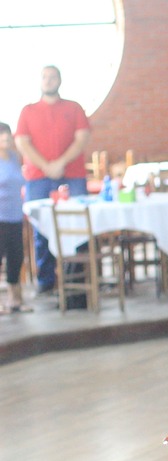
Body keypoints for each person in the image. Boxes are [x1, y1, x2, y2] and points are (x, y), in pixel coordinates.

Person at [15, 65, 90, 294]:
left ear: (60, 80)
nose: (48, 80)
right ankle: (46, 281)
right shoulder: (28, 111)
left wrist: (60, 163)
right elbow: (22, 142)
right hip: (38, 178)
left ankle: (79, 279)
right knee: (41, 228)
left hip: (72, 174)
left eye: (53, 77)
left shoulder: (74, 108)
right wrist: (46, 166)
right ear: (40, 81)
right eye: (45, 77)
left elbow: (82, 138)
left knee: (79, 224)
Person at [0, 122, 28, 313]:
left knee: (16, 257)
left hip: (15, 215)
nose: (6, 138)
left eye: (8, 134)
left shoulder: (14, 157)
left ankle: (15, 299)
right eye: (2, 134)